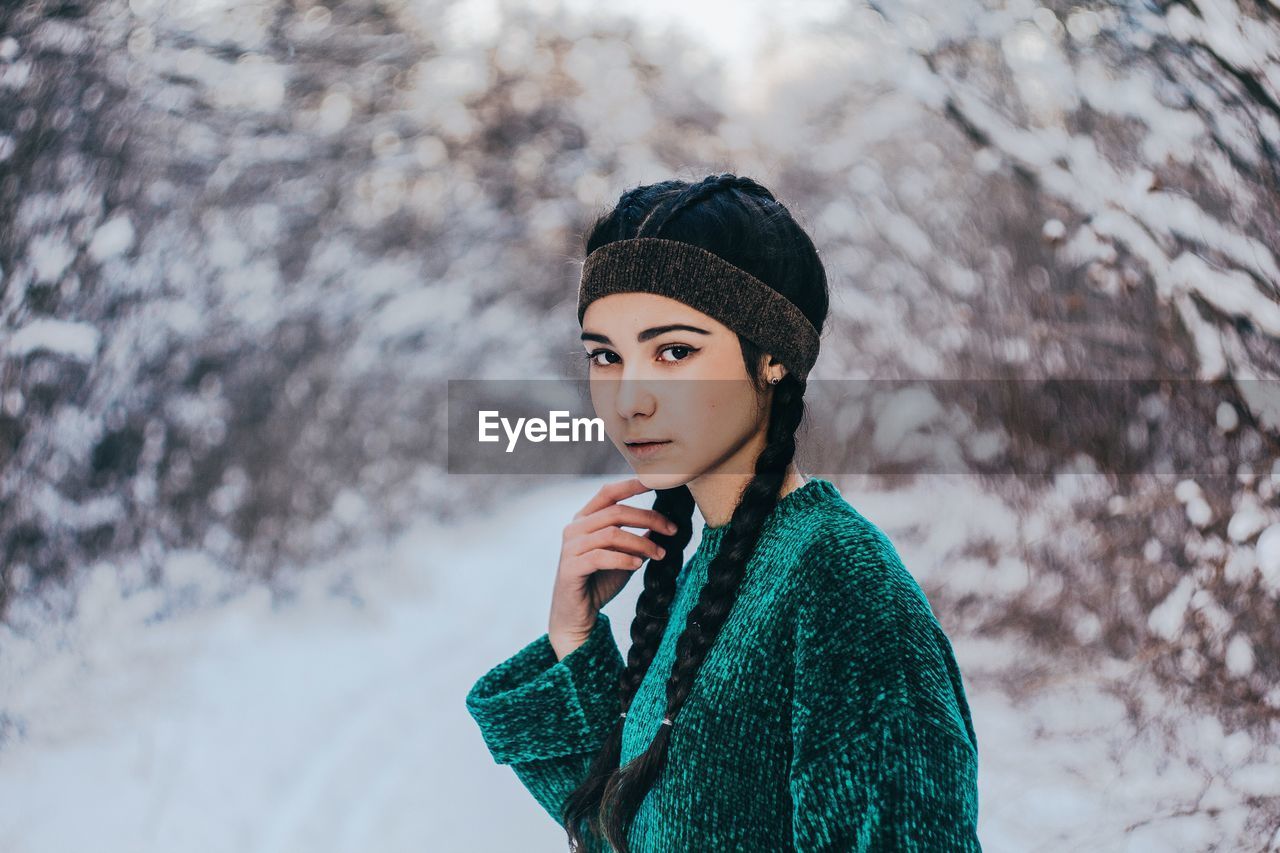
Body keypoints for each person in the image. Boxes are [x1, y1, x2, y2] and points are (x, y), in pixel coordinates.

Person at [464, 174, 982, 852]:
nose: (629, 398)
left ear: (771, 358)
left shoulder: (840, 584)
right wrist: (574, 633)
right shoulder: (709, 568)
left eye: (673, 351)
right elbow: (631, 832)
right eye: (606, 356)